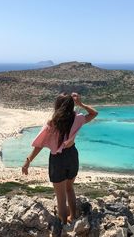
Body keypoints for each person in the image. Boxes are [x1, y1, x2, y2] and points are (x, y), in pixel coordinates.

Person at [21, 92, 98, 227]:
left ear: (57, 106)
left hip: (58, 160)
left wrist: (28, 161)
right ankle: (73, 218)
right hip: (72, 155)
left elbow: (39, 146)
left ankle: (62, 225)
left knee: (61, 197)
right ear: (71, 106)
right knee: (70, 188)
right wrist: (81, 104)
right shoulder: (78, 118)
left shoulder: (51, 124)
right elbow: (94, 114)